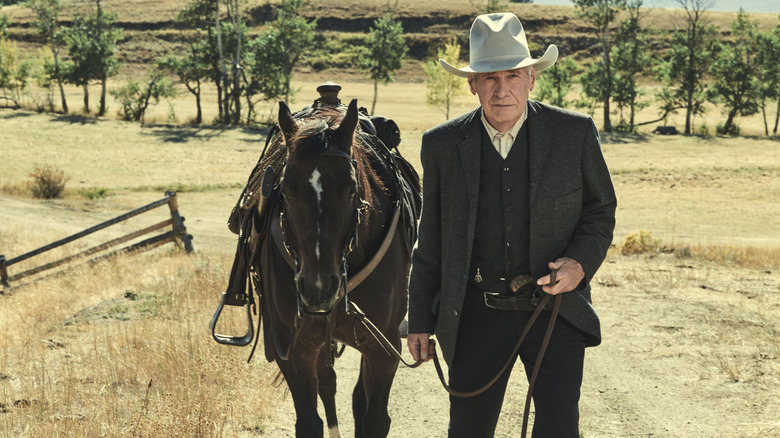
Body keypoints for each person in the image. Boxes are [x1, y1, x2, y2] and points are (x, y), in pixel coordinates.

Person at [406, 13, 617, 438]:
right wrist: (419, 317)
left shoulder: (573, 133)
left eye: (514, 76)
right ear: (472, 84)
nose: (502, 90)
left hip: (554, 312)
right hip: (476, 314)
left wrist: (579, 263)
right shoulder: (442, 145)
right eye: (490, 78)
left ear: (532, 78)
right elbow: (430, 238)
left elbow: (601, 210)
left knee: (559, 429)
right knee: (467, 431)